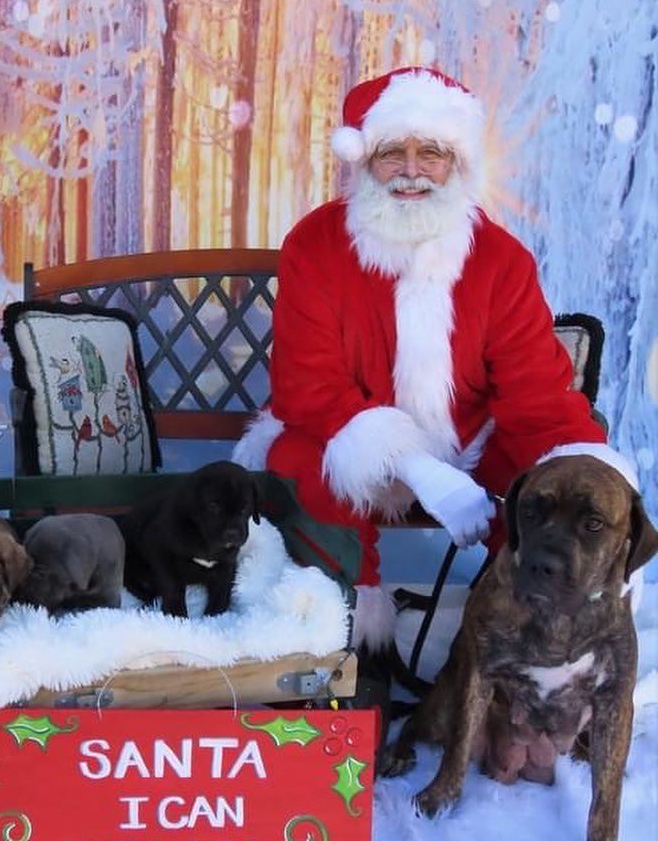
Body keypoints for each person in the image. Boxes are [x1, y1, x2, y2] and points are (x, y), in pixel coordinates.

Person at [232, 66, 638, 653]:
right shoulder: (315, 245)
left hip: (467, 439)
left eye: (432, 152)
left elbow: (538, 396)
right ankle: (347, 639)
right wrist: (419, 469)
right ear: (364, 160)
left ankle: (515, 646)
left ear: (458, 163)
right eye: (392, 152)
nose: (413, 171)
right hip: (347, 434)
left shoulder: (500, 259)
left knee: (554, 481)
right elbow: (306, 385)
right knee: (298, 462)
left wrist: (615, 509)